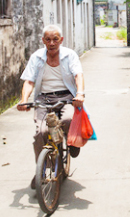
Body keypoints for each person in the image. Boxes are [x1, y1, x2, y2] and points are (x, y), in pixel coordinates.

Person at [17, 24, 85, 188]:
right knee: (41, 133)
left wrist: (80, 93)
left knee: (68, 120)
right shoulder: (37, 57)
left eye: (55, 39)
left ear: (61, 40)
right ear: (43, 41)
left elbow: (78, 75)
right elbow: (29, 81)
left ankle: (70, 143)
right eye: (48, 39)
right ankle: (42, 170)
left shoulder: (69, 55)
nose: (52, 43)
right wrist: (23, 99)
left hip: (67, 96)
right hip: (44, 99)